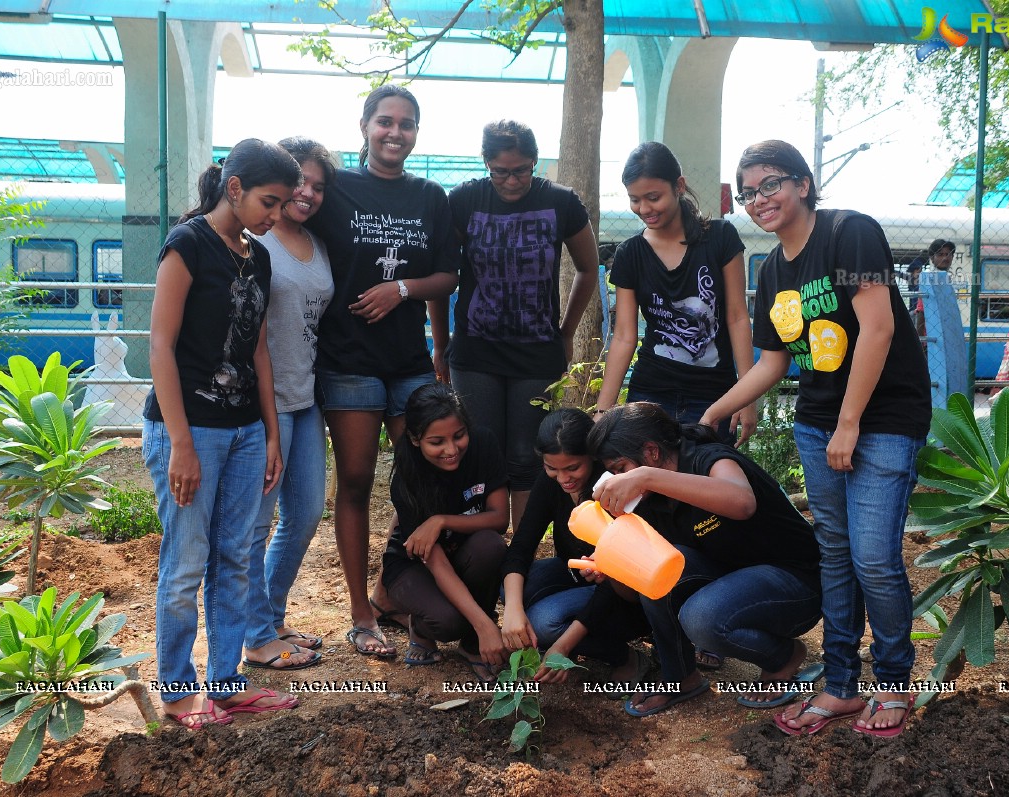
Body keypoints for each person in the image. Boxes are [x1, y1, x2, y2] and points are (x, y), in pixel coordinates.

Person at [702, 140, 931, 738]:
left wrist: (851, 423)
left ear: (804, 184)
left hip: (882, 418)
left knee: (874, 559)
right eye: (748, 192)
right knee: (834, 553)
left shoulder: (850, 232)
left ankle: (894, 686)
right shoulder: (773, 269)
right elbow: (772, 361)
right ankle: (840, 687)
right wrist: (716, 411)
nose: (759, 199)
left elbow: (877, 329)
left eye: (770, 184)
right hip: (817, 420)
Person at [144, 139, 303, 728]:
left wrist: (270, 434)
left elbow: (258, 350)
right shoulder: (187, 246)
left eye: (284, 203)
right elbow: (159, 345)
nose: (276, 214)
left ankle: (228, 683)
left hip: (241, 434)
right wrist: (181, 443)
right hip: (189, 432)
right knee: (185, 563)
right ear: (233, 188)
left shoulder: (256, 255)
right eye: (269, 200)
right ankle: (178, 691)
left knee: (235, 558)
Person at [307, 85, 459, 657]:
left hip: (408, 364)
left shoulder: (430, 197)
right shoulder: (337, 189)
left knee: (422, 483)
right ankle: (360, 613)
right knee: (354, 484)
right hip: (347, 362)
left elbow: (447, 275)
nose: (396, 133)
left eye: (407, 124)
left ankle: (392, 592)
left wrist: (400, 290)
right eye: (385, 122)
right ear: (366, 125)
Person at [588, 402, 822, 718]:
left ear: (652, 452)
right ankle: (680, 677)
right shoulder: (646, 499)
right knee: (653, 562)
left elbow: (742, 503)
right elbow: (635, 592)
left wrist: (646, 477)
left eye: (619, 469)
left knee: (702, 617)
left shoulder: (707, 458)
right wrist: (612, 564)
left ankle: (783, 657)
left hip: (795, 583)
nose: (616, 480)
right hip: (733, 580)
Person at [434, 120, 600, 533]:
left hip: (535, 352)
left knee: (526, 458)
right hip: (475, 352)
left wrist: (565, 331)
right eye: (501, 171)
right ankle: (487, 547)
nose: (512, 180)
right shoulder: (465, 199)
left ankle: (520, 558)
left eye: (522, 169)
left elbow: (588, 267)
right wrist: (441, 343)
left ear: (535, 163)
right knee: (482, 453)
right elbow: (441, 276)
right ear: (486, 163)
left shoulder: (560, 201)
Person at [242, 137, 336, 671]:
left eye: (319, 186)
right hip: (262, 404)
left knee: (303, 513)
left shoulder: (315, 243)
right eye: (299, 181)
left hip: (305, 398)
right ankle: (256, 636)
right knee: (257, 523)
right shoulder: (257, 240)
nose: (308, 193)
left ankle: (272, 618)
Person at [594, 142, 757, 450]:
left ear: (679, 186)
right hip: (650, 392)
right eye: (634, 200)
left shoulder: (721, 238)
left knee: (706, 489)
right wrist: (604, 410)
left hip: (716, 395)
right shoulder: (631, 253)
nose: (644, 209)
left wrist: (746, 394)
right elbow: (625, 336)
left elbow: (737, 317)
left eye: (653, 198)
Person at [500, 408, 651, 685]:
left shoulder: (610, 490)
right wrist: (511, 611)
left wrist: (564, 645)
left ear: (592, 457)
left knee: (545, 623)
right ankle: (564, 634)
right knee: (512, 590)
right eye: (552, 468)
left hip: (621, 593)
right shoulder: (550, 483)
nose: (563, 478)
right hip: (575, 575)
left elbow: (616, 584)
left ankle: (624, 656)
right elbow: (521, 546)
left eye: (572, 468)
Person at [379, 383, 509, 682]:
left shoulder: (484, 444)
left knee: (491, 546)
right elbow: (435, 562)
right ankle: (421, 628)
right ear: (414, 439)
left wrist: (440, 520)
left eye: (459, 436)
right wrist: (486, 625)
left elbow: (500, 519)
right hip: (415, 566)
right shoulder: (407, 479)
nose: (451, 450)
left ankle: (472, 644)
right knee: (449, 622)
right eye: (437, 442)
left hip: (465, 552)